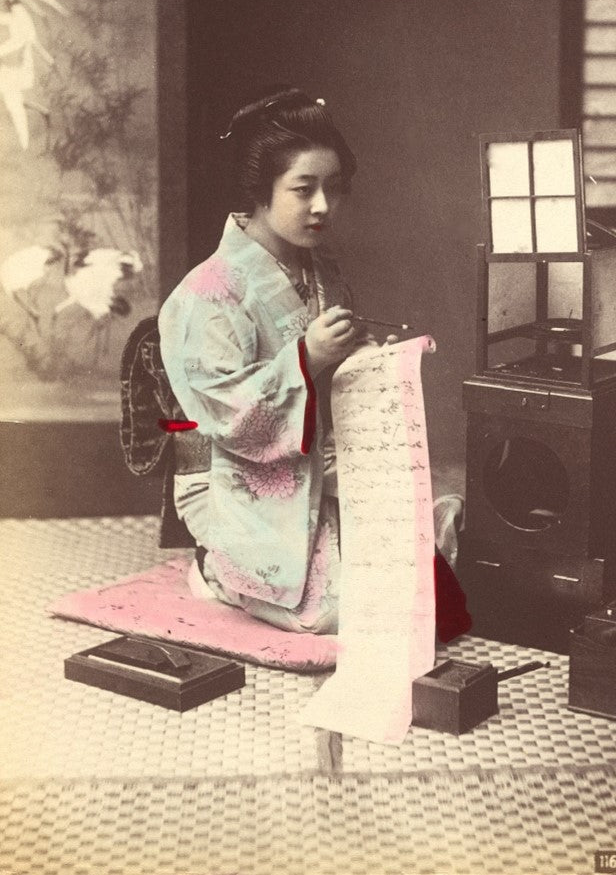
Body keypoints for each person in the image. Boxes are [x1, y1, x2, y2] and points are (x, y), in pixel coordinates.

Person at [158, 86, 463, 636]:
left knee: (436, 572)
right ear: (261, 189)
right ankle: (215, 569)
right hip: (241, 476)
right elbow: (225, 416)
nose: (323, 205)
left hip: (317, 460)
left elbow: (338, 375)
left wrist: (366, 358)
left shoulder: (322, 268)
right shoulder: (207, 291)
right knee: (347, 610)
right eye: (304, 189)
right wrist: (306, 358)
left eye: (334, 188)